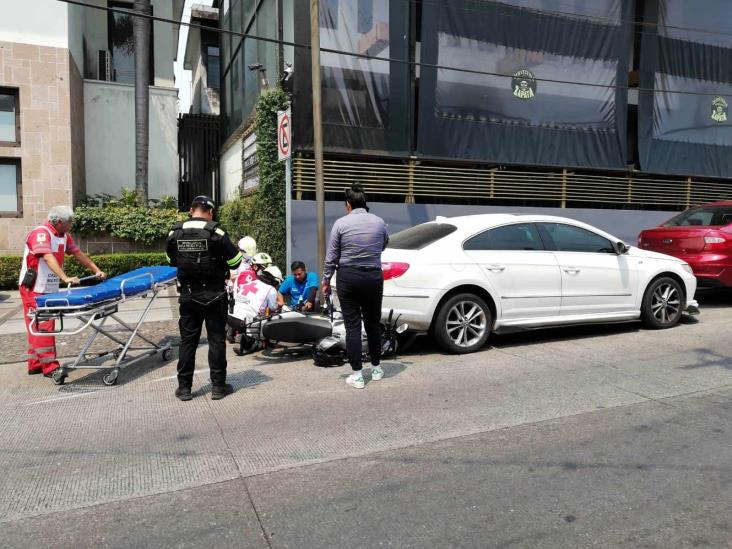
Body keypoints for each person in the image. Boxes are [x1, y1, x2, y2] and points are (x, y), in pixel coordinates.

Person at [166, 195, 243, 401]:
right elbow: (235, 261)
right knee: (216, 341)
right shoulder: (216, 231)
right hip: (214, 295)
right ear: (210, 212)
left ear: (191, 210)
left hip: (189, 295)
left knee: (188, 342)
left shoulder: (175, 232)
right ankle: (218, 387)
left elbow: (171, 260)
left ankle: (184, 389)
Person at [19, 205, 106, 377]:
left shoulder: (64, 236)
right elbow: (47, 256)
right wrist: (65, 278)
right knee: (43, 325)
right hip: (34, 288)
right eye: (69, 222)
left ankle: (35, 363)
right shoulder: (41, 233)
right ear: (59, 222)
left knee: (35, 325)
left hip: (47, 288)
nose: (71, 225)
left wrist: (96, 270)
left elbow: (78, 254)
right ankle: (50, 367)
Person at [322, 183, 389, 389]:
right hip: (373, 277)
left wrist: (326, 280)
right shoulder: (380, 223)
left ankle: (358, 375)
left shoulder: (341, 224)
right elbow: (383, 244)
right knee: (373, 323)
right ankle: (376, 368)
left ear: (348, 205)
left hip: (348, 277)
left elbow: (331, 257)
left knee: (352, 326)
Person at [229, 265, 283, 356]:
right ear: (274, 280)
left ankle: (237, 334)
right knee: (265, 323)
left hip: (230, 317)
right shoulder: (271, 289)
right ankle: (246, 339)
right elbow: (273, 308)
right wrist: (280, 305)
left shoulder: (250, 282)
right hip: (244, 321)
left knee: (252, 313)